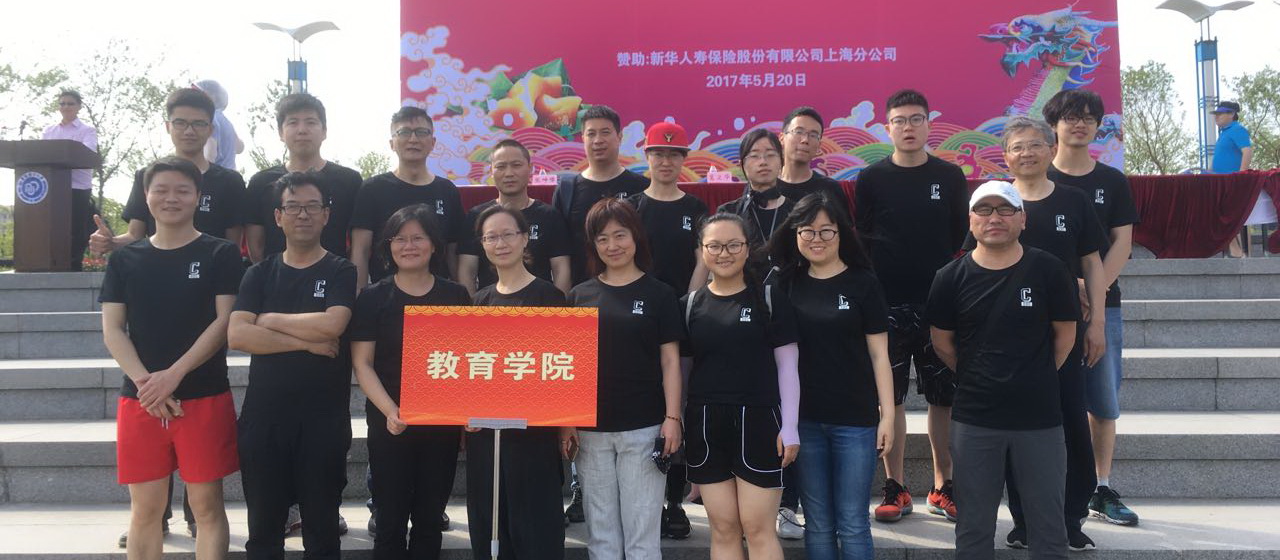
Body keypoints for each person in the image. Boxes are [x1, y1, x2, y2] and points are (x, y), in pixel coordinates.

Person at [963, 116, 1108, 551]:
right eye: (1016, 147)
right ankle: (1024, 520)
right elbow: (971, 263)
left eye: (1034, 145)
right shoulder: (992, 202)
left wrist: (1097, 322)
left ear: (1051, 149)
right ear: (1005, 156)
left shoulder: (1073, 200)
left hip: (1063, 333)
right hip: (1006, 340)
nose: (1026, 153)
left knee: (1070, 423)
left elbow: (1092, 263)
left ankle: (1071, 517)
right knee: (1015, 430)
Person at [928, 181, 1079, 560]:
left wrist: (1033, 376)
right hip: (975, 417)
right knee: (973, 527)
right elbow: (942, 342)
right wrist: (978, 376)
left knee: (1048, 527)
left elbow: (1065, 335)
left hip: (1039, 418)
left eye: (1005, 209)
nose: (994, 218)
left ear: (1022, 219)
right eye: (984, 209)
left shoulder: (1049, 269)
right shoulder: (949, 277)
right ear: (971, 220)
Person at [100, 156, 241, 560]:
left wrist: (173, 376)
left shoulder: (220, 253)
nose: (171, 198)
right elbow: (113, 329)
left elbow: (224, 321)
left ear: (198, 196)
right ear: (146, 196)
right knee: (144, 510)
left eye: (182, 190)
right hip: (141, 400)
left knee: (207, 507)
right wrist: (148, 384)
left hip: (203, 394)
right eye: (161, 190)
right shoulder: (124, 259)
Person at [854, 89, 969, 523]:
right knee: (892, 399)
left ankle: (943, 485)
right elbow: (863, 238)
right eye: (900, 120)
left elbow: (960, 235)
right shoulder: (871, 178)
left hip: (940, 304)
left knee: (944, 398)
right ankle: (896, 486)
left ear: (928, 124)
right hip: (886, 304)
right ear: (887, 128)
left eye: (916, 119)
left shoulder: (950, 176)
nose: (908, 127)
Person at [228, 172, 356, 560]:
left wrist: (268, 319)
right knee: (263, 533)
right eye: (293, 206)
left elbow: (333, 324)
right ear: (278, 216)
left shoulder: (340, 270)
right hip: (264, 420)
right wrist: (306, 342)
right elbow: (238, 335)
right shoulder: (258, 273)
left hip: (323, 421)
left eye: (312, 206)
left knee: (322, 533)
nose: (303, 214)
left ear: (326, 215)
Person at [768, 193, 895, 560]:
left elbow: (879, 355)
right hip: (805, 420)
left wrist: (887, 415)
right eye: (807, 231)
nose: (817, 239)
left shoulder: (863, 283)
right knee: (819, 522)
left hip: (855, 420)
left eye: (826, 230)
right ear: (794, 234)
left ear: (841, 233)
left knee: (853, 521)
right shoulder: (786, 284)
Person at [1043, 89, 1141, 527]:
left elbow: (1122, 241)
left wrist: (1092, 287)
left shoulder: (1112, 181)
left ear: (1098, 126)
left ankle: (1101, 488)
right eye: (1070, 117)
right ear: (1054, 124)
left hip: (1102, 306)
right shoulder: (1039, 177)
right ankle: (1054, 486)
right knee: (1049, 399)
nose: (1079, 124)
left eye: (1088, 117)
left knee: (1102, 400)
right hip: (1045, 308)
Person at [566, 198, 683, 559]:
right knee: (601, 535)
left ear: (636, 237)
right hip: (590, 431)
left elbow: (670, 362)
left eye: (620, 235)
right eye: (602, 238)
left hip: (644, 428)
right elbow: (569, 365)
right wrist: (566, 422)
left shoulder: (660, 294)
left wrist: (673, 417)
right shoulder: (579, 296)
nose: (612, 245)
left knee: (642, 536)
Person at [350, 204, 469, 559]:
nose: (409, 246)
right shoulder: (374, 297)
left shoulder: (455, 296)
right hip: (390, 421)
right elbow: (363, 364)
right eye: (399, 239)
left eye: (418, 238)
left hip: (441, 424)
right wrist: (391, 410)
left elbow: (467, 360)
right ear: (388, 246)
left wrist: (467, 411)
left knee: (430, 519)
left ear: (434, 245)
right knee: (389, 519)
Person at [682, 212, 801, 560]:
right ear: (702, 250)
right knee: (723, 528)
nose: (724, 253)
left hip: (760, 421)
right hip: (706, 423)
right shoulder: (690, 305)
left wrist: (790, 426)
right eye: (715, 246)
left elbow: (788, 365)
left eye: (733, 245)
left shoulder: (770, 299)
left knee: (758, 528)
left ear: (748, 249)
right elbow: (683, 374)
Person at [465, 204, 568, 558]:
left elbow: (562, 366)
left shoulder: (550, 297)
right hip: (486, 435)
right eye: (491, 237)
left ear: (525, 239)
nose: (500, 243)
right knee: (490, 524)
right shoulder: (479, 302)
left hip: (534, 434)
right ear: (482, 245)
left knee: (535, 529)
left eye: (508, 234)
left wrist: (566, 424)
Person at [621, 121, 708, 539]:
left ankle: (673, 502)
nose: (666, 161)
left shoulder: (696, 207)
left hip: (684, 317)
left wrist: (685, 304)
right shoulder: (632, 207)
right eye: (658, 153)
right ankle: (643, 501)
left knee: (678, 407)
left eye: (674, 154)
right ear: (647, 157)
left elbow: (704, 260)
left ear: (683, 159)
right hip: (638, 318)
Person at [716, 128, 803, 538]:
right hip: (743, 320)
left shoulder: (799, 211)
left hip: (793, 316)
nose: (763, 161)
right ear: (743, 164)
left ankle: (789, 503)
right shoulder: (731, 212)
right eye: (754, 155)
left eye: (770, 154)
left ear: (781, 160)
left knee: (791, 411)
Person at [93, 88, 245, 255]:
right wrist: (110, 242)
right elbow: (135, 236)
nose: (189, 131)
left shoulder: (230, 181)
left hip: (212, 269)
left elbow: (233, 245)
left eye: (198, 123)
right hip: (157, 267)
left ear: (211, 129)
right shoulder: (147, 176)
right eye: (180, 122)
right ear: (168, 126)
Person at [351, 106, 467, 289]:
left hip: (438, 297)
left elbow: (453, 251)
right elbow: (361, 250)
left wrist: (461, 296)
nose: (413, 139)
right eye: (404, 132)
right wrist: (359, 296)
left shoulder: (447, 190)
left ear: (433, 142)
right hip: (384, 296)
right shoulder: (372, 189)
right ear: (392, 143)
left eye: (421, 132)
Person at [244, 93, 363, 263]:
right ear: (281, 132)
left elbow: (359, 244)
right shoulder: (260, 183)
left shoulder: (350, 181)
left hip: (336, 276)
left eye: (311, 122)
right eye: (293, 122)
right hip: (275, 277)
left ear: (324, 131)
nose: (302, 130)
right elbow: (256, 246)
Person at [458, 139, 572, 295]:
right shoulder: (476, 216)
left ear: (530, 168)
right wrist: (473, 307)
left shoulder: (549, 216)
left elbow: (561, 269)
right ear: (491, 171)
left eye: (516, 165)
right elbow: (467, 271)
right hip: (489, 306)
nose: (509, 173)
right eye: (501, 167)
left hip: (540, 305)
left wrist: (558, 305)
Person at [552, 105, 650, 286]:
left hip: (632, 293)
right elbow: (561, 255)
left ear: (619, 137)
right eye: (591, 134)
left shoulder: (642, 187)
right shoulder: (566, 190)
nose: (598, 140)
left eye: (605, 132)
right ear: (583, 138)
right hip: (581, 294)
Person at [41, 89, 99, 270]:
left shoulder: (87, 131)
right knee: (53, 227)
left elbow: (87, 154)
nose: (66, 107)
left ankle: (74, 266)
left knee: (76, 229)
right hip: (53, 188)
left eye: (70, 103)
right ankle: (51, 264)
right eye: (62, 103)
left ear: (79, 107)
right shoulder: (49, 131)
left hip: (78, 187)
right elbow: (41, 156)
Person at [1211, 101, 1272, 257]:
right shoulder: (1224, 133)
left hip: (1232, 181)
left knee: (1229, 215)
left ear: (1232, 114)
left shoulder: (1237, 129)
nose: (1216, 117)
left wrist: (1242, 174)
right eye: (1216, 114)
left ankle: (1238, 251)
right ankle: (1236, 251)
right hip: (1220, 181)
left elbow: (1247, 151)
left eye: (1220, 114)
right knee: (1223, 214)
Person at [776, 107, 851, 215]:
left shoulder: (830, 189)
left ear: (819, 146)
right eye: (798, 132)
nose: (805, 140)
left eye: (813, 135)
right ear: (782, 138)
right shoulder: (766, 185)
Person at [193, 80, 244, 170]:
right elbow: (240, 148)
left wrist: (202, 173)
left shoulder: (209, 119)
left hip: (215, 175)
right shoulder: (227, 122)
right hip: (232, 174)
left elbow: (210, 154)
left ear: (210, 97)